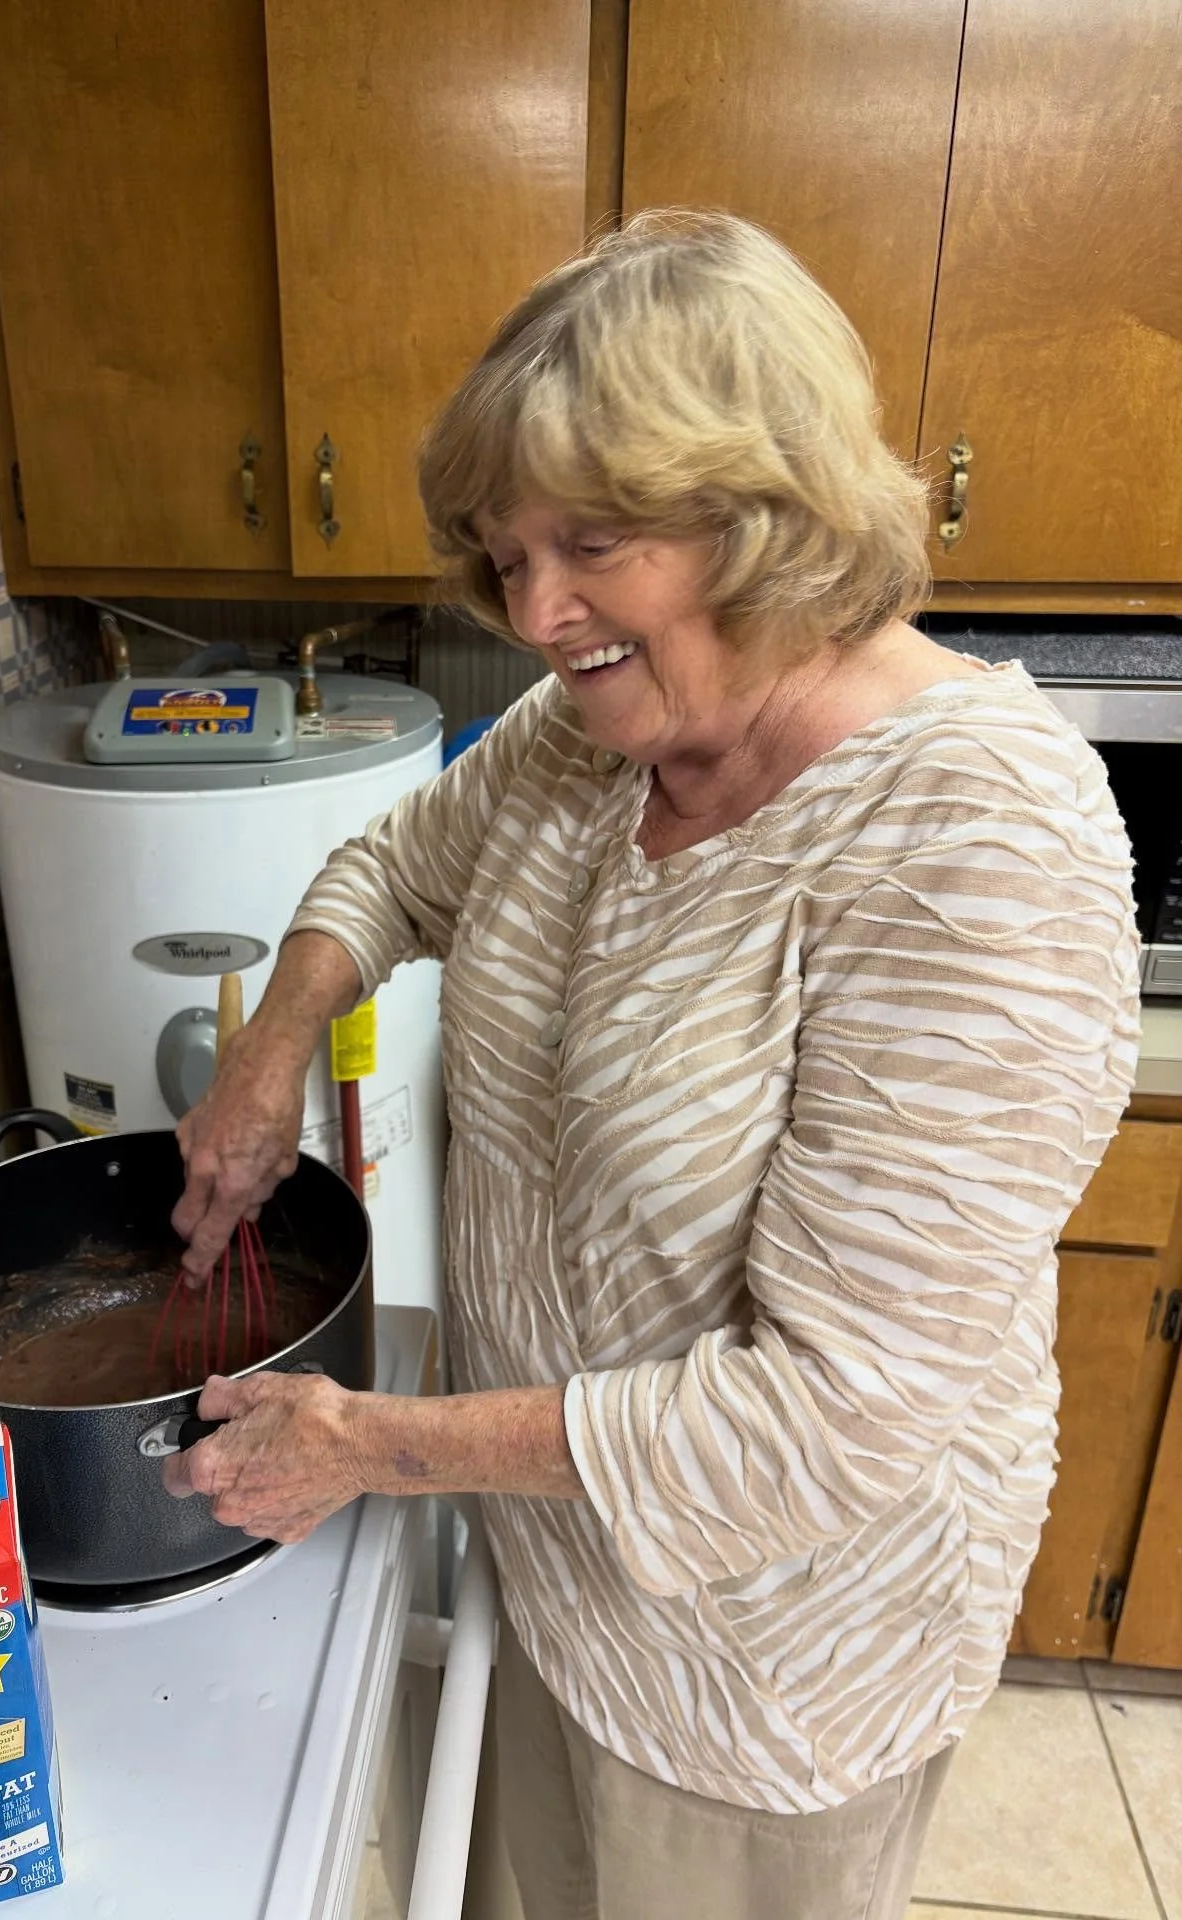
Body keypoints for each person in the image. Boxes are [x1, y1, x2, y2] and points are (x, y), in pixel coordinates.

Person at [165, 211, 1140, 1920]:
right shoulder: (583, 736)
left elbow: (827, 1418)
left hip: (763, 1673)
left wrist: (373, 1444)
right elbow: (390, 870)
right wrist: (269, 1048)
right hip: (542, 1556)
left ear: (767, 508)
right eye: (503, 555)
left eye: (592, 544)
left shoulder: (977, 840)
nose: (537, 613)